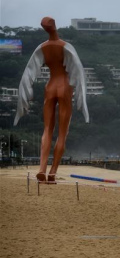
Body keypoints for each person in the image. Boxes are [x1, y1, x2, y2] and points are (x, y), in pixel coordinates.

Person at [14, 17, 89, 183]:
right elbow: (78, 72)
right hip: (64, 87)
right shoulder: (65, 47)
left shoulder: (42, 48)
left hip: (50, 87)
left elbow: (28, 73)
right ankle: (52, 172)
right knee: (62, 133)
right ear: (55, 26)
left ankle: (41, 169)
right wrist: (81, 99)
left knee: (47, 129)